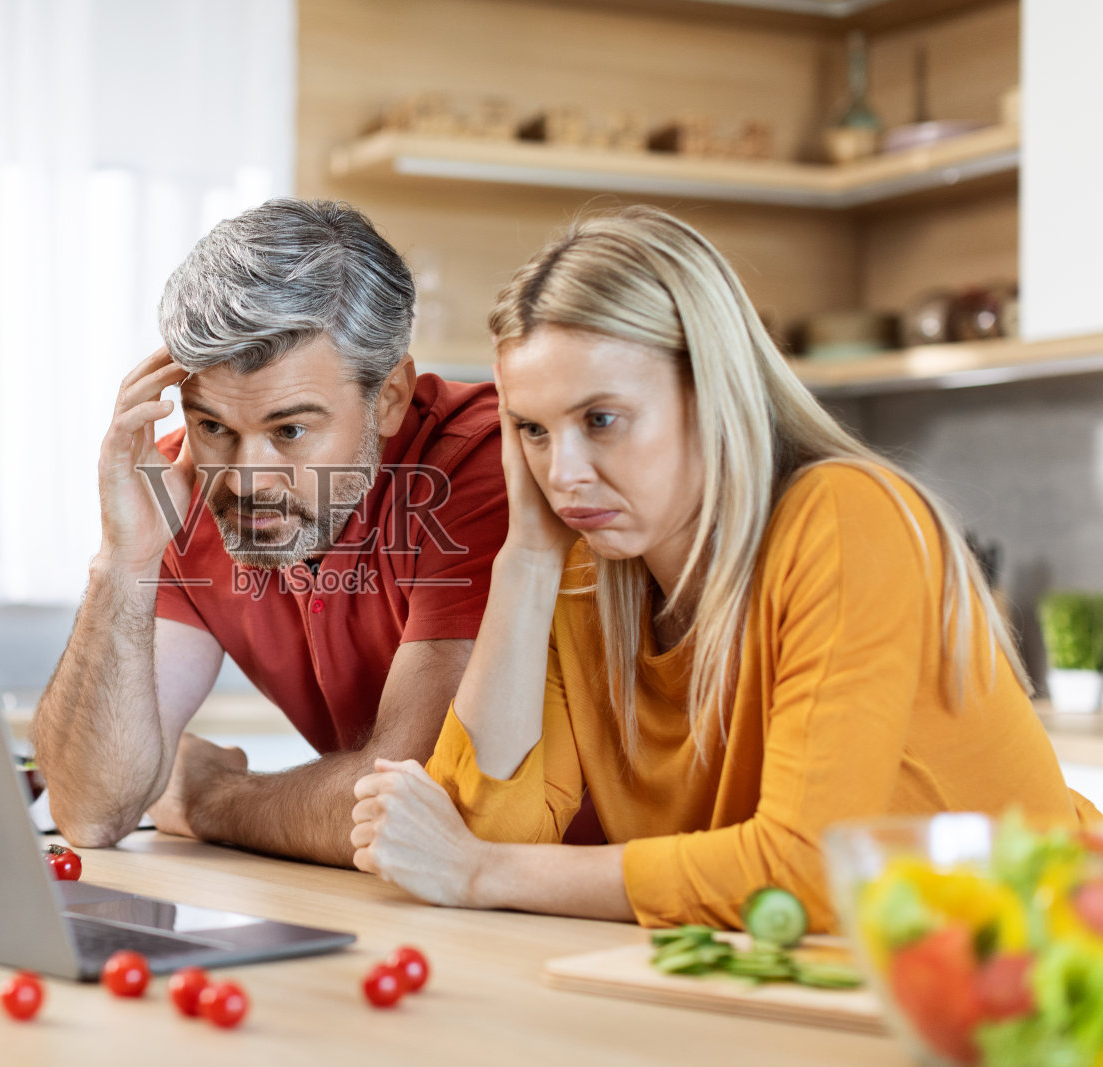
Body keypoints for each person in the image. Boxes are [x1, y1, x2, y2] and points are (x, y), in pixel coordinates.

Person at [348, 205, 1099, 930]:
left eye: (600, 420)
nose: (564, 472)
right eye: (533, 430)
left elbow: (804, 868)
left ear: (711, 392)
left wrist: (484, 873)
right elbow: (474, 823)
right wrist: (529, 557)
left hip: (1045, 964)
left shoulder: (845, 518)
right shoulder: (586, 572)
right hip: (841, 984)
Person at [32, 198, 509, 867]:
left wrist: (209, 797)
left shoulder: (479, 465)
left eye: (290, 430)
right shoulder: (177, 481)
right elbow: (90, 809)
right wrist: (123, 559)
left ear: (391, 397)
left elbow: (417, 803)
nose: (247, 480)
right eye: (213, 426)